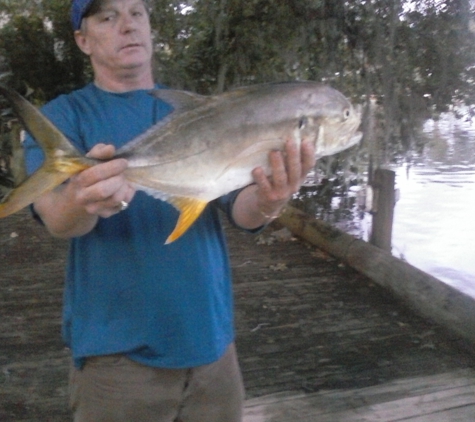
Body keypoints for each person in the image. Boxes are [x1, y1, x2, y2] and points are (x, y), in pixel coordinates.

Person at [24, 0, 316, 421]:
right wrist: (80, 199)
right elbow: (56, 216)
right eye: (108, 17)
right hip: (116, 359)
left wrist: (272, 200)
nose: (128, 26)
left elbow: (242, 211)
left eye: (137, 13)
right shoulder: (65, 116)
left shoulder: (202, 111)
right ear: (82, 40)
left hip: (212, 348)